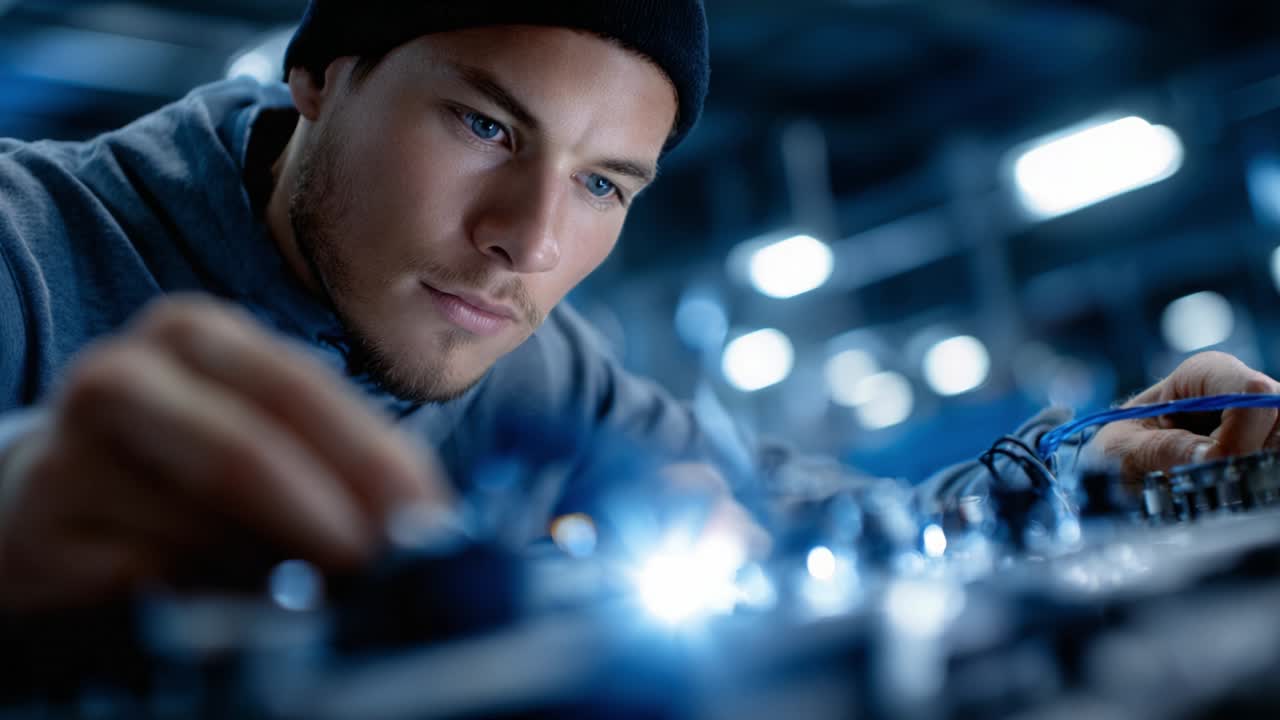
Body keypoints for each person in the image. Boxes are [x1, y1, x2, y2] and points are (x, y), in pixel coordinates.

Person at [0, 0, 1275, 613]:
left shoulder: (535, 366)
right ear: (320, 80)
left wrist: (1076, 466)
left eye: (604, 183)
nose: (530, 242)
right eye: (484, 122)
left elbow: (800, 510)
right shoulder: (25, 247)